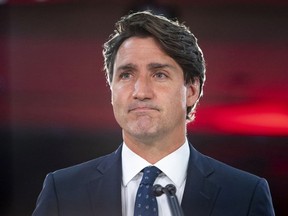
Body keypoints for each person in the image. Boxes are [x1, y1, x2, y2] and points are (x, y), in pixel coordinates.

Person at [32, 11, 275, 216]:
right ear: (111, 89)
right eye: (126, 75)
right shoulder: (63, 191)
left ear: (191, 90)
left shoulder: (245, 195)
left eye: (159, 74)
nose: (140, 92)